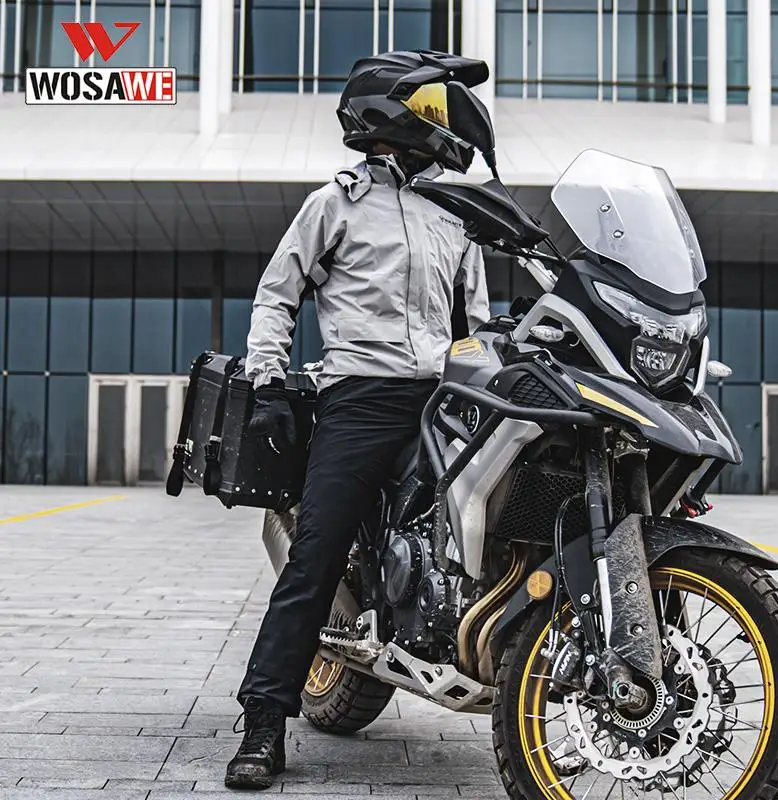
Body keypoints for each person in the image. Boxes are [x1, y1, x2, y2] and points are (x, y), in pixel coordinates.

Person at [225, 50, 491, 790]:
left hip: (442, 400)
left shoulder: (454, 215)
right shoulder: (334, 204)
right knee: (316, 555)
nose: (444, 124)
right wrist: (268, 380)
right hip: (361, 398)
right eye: (432, 109)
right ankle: (263, 722)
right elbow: (277, 293)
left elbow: (476, 323)